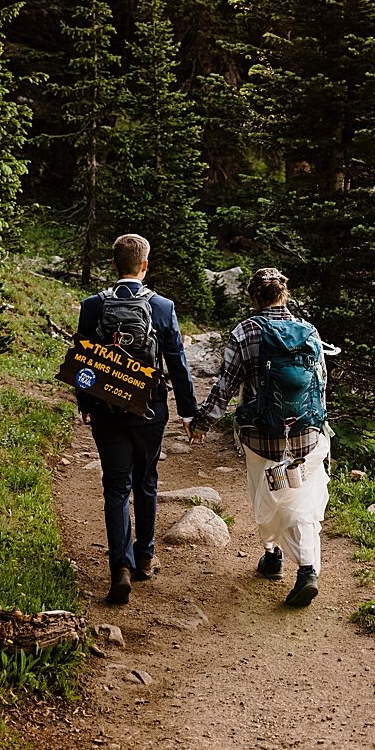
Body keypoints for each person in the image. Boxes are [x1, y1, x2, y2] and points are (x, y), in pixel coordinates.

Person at [189, 268, 331, 608]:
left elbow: (225, 386)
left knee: (266, 496)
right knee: (301, 499)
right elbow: (321, 385)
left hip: (261, 436)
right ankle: (306, 567)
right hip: (305, 435)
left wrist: (202, 423)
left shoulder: (246, 331)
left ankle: (275, 556)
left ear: (253, 297)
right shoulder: (308, 331)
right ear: (285, 294)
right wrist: (317, 425)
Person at [75, 233, 200, 606]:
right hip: (150, 410)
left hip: (107, 409)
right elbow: (177, 362)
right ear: (145, 265)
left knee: (115, 487)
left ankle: (120, 569)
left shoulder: (93, 305)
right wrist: (188, 411)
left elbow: (84, 358)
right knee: (146, 480)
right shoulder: (162, 307)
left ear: (114, 264)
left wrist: (85, 400)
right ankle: (145, 556)